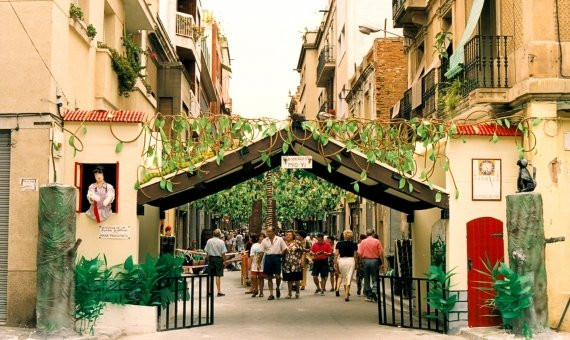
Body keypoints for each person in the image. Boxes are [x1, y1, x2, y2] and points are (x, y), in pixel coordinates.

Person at [260, 226, 287, 300]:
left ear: (274, 231)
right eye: (267, 231)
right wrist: (259, 263)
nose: (268, 233)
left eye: (269, 231)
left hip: (276, 257)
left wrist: (281, 255)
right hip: (268, 257)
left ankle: (277, 287)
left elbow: (285, 249)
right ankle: (271, 294)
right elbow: (261, 252)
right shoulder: (264, 240)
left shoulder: (279, 239)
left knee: (278, 276)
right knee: (269, 277)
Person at [358, 229, 384, 302]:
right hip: (375, 261)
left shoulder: (363, 242)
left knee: (366, 278)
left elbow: (359, 253)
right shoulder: (377, 241)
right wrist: (382, 263)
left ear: (367, 234)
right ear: (373, 234)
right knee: (375, 277)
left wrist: (360, 262)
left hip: (365, 261)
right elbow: (380, 253)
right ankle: (374, 291)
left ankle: (369, 295)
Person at [335, 230, 359, 301]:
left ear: (344, 235)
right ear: (351, 236)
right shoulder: (354, 244)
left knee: (344, 276)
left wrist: (335, 263)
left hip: (342, 261)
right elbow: (355, 256)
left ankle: (346, 292)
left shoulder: (339, 243)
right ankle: (346, 293)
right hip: (351, 260)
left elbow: (336, 254)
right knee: (349, 277)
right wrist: (356, 264)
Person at [204, 228, 227, 297]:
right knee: (218, 275)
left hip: (211, 259)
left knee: (210, 276)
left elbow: (207, 252)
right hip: (218, 260)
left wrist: (207, 259)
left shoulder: (209, 241)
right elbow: (223, 253)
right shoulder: (221, 242)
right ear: (219, 235)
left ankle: (209, 291)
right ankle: (219, 291)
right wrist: (224, 261)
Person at [282, 230, 305, 299]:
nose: (288, 236)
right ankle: (289, 293)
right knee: (289, 279)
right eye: (287, 235)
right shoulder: (284, 243)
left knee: (296, 278)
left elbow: (302, 252)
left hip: (296, 263)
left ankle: (297, 292)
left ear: (293, 236)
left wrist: (302, 261)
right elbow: (281, 253)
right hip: (287, 263)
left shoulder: (297, 243)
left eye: (289, 235)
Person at [248, 233, 265, 298]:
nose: (261, 238)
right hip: (254, 265)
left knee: (261, 278)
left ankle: (261, 292)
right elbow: (251, 256)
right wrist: (249, 264)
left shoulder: (265, 245)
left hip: (262, 265)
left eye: (263, 237)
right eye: (260, 237)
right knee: (253, 278)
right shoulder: (254, 246)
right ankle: (255, 290)